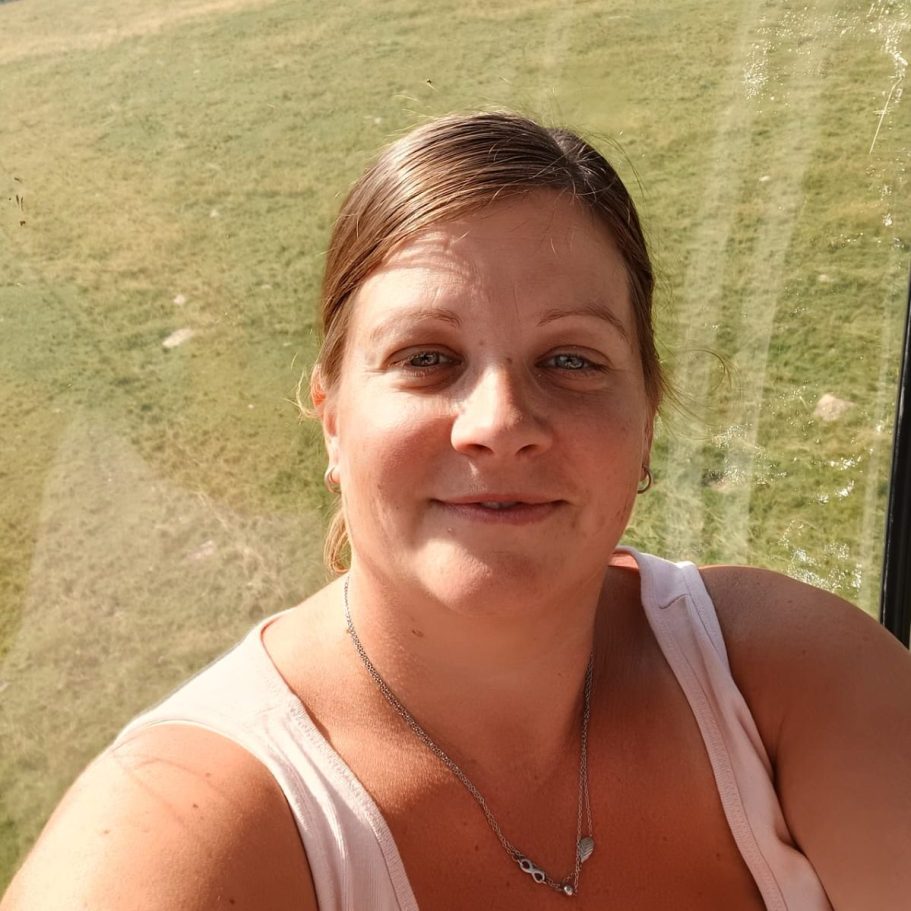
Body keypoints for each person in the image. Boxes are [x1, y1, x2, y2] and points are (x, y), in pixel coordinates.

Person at [2, 111, 910, 911]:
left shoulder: (789, 679)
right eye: (427, 358)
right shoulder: (179, 829)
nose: (499, 423)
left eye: (571, 360)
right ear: (332, 420)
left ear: (646, 421)